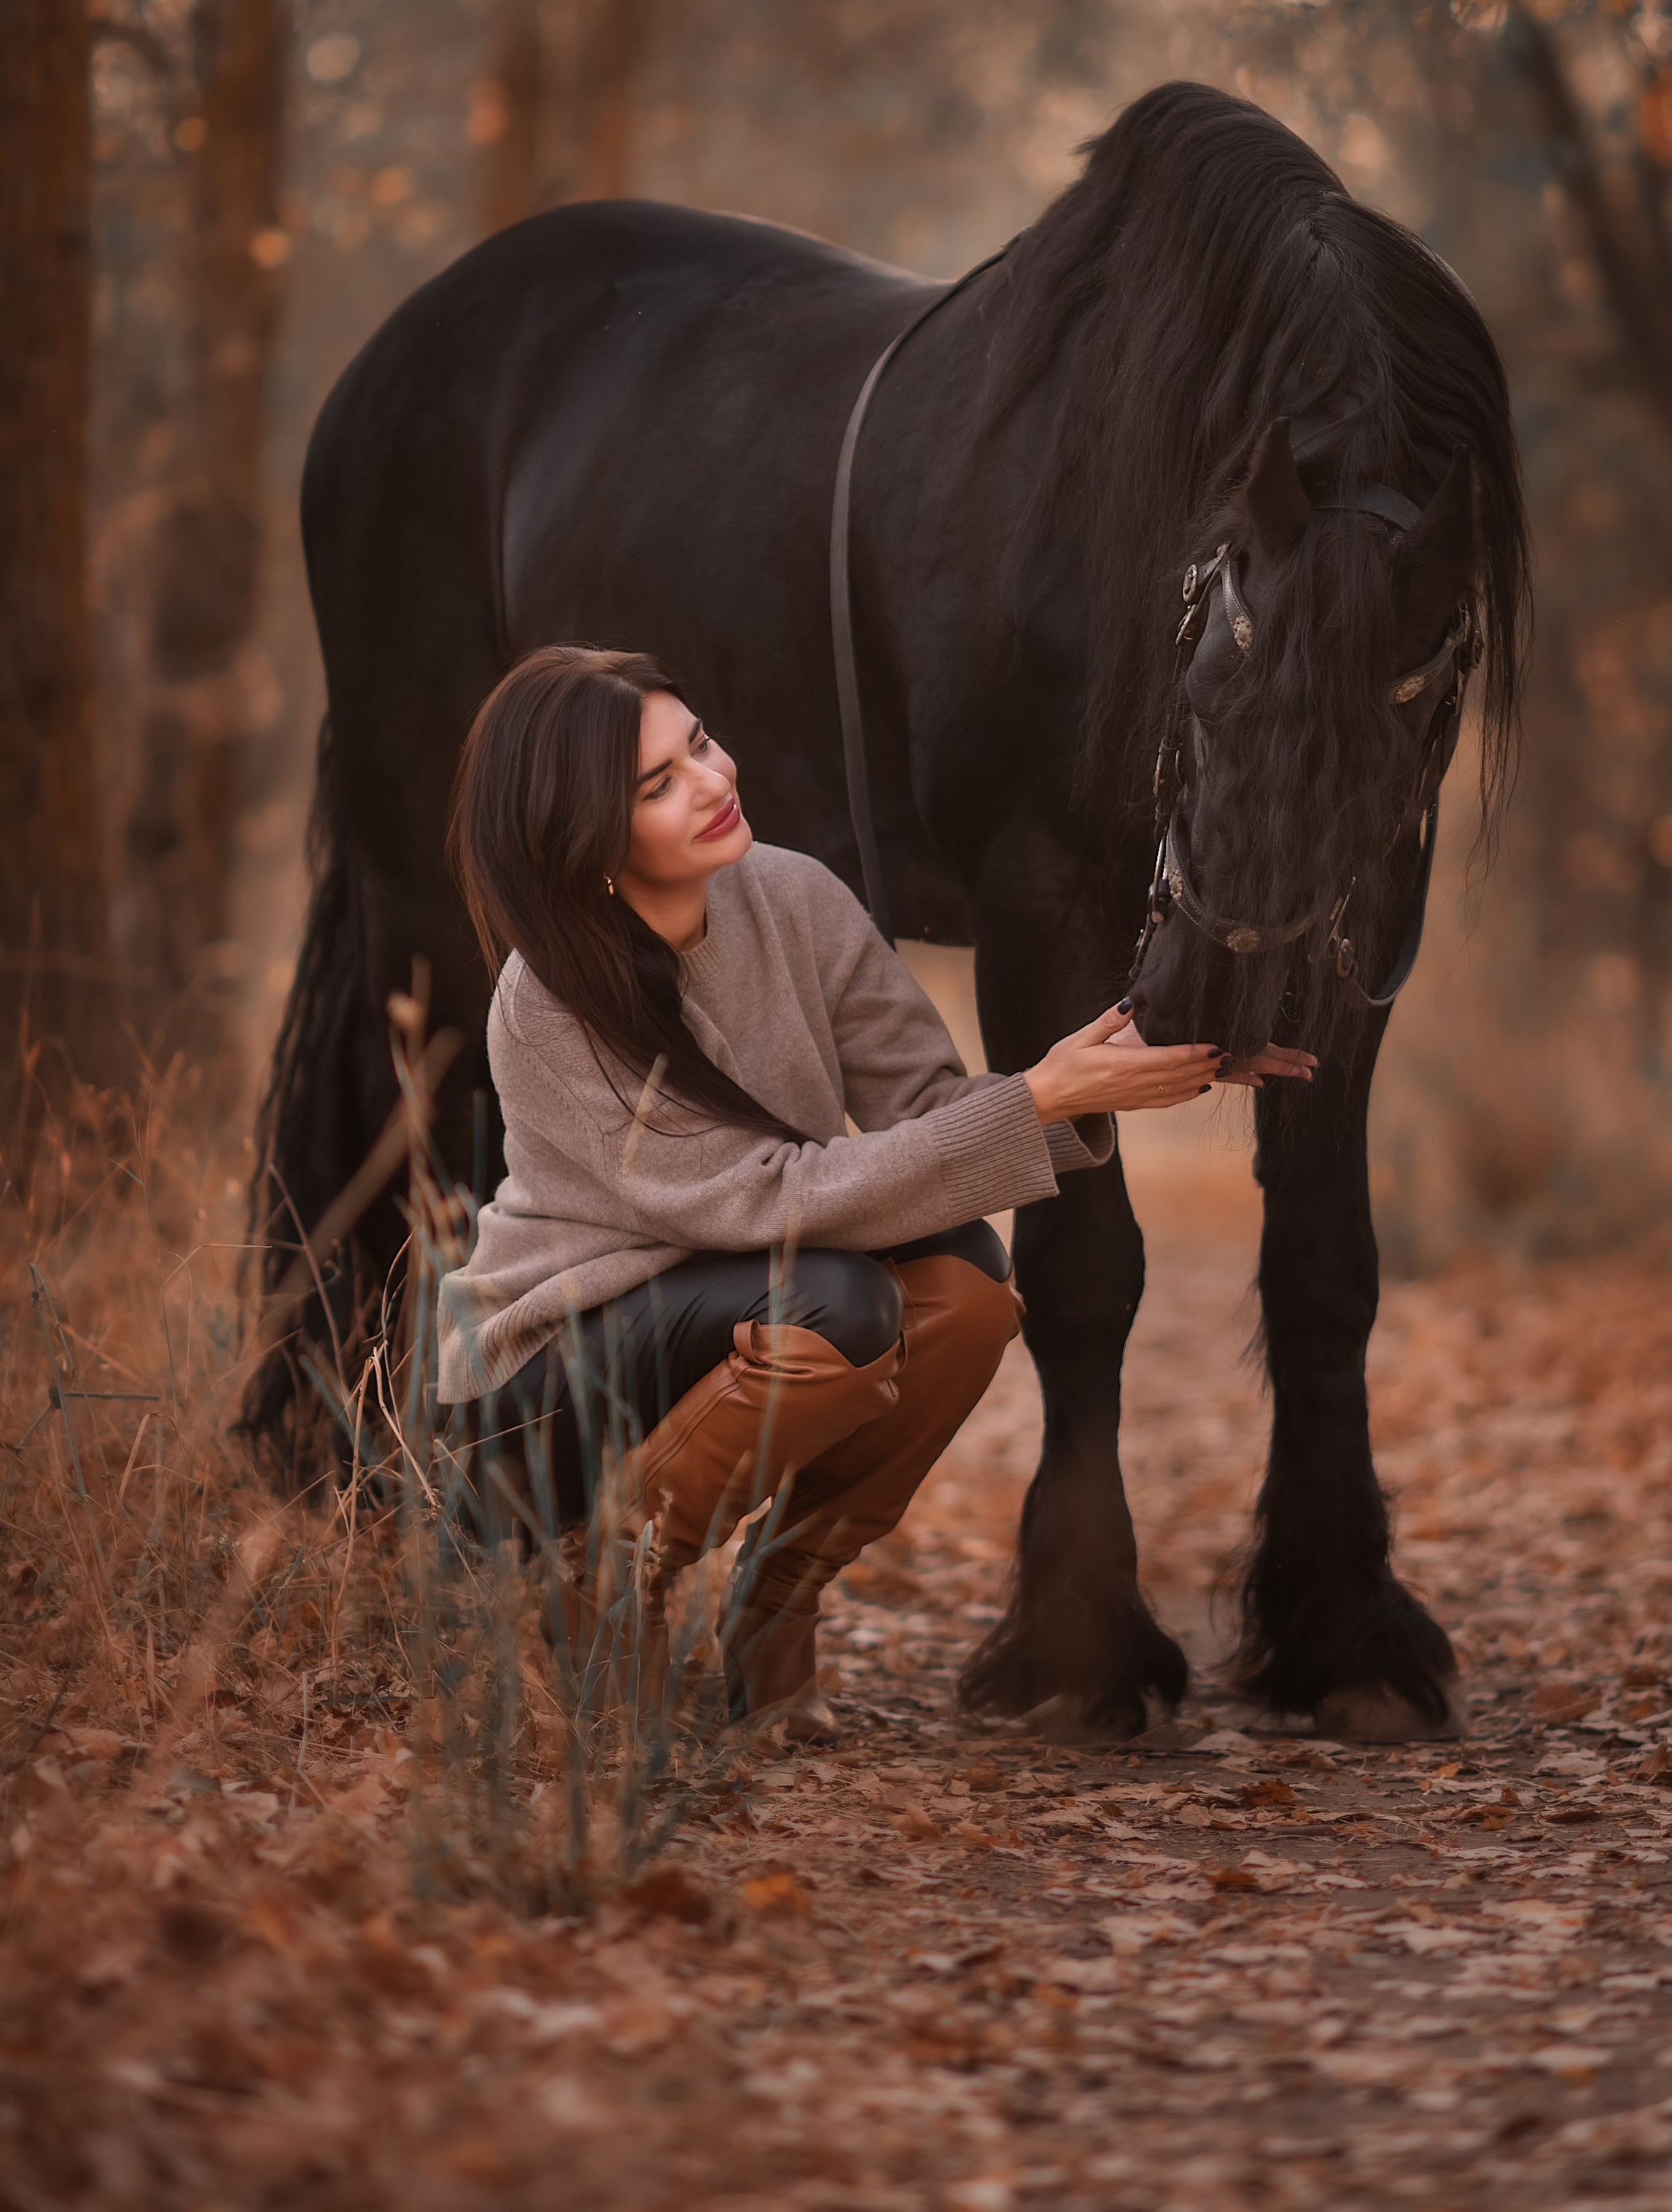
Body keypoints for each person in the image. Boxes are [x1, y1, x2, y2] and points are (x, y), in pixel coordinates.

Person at [440, 645, 1315, 1734]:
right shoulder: (550, 1002)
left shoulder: (795, 897)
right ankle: (600, 1582)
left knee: (969, 1291)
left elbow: (925, 1113)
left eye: (700, 743)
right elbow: (759, 1203)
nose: (714, 783)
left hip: (730, 1312)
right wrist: (1039, 1095)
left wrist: (1132, 1061)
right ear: (587, 842)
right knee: (844, 1310)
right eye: (659, 786)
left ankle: (777, 1605)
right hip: (546, 1386)